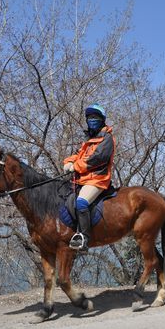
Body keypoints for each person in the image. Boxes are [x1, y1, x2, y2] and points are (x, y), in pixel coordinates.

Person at [63, 104, 116, 252]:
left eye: (95, 117)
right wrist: (68, 161)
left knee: (81, 203)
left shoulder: (107, 138)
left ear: (102, 120)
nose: (92, 120)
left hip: (97, 180)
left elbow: (98, 158)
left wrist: (76, 166)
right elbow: (78, 155)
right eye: (90, 118)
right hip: (82, 179)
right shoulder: (88, 138)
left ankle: (84, 238)